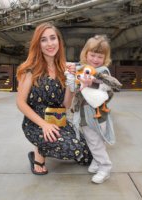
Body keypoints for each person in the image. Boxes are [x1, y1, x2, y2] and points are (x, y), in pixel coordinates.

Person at [16, 22, 92, 175]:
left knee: (87, 155)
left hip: (58, 120)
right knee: (70, 148)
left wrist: (71, 81)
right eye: (44, 40)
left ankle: (45, 145)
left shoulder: (64, 68)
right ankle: (38, 154)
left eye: (53, 38)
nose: (50, 44)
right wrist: (44, 125)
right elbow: (20, 103)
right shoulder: (30, 69)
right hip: (36, 122)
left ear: (59, 41)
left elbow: (65, 104)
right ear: (38, 44)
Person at [72, 35, 120, 184]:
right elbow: (74, 86)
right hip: (85, 112)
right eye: (92, 55)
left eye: (100, 56)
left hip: (97, 113)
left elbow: (107, 86)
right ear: (86, 53)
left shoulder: (102, 70)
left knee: (95, 140)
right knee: (94, 140)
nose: (95, 59)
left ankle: (105, 167)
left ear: (105, 58)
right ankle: (97, 161)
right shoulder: (81, 69)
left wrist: (92, 82)